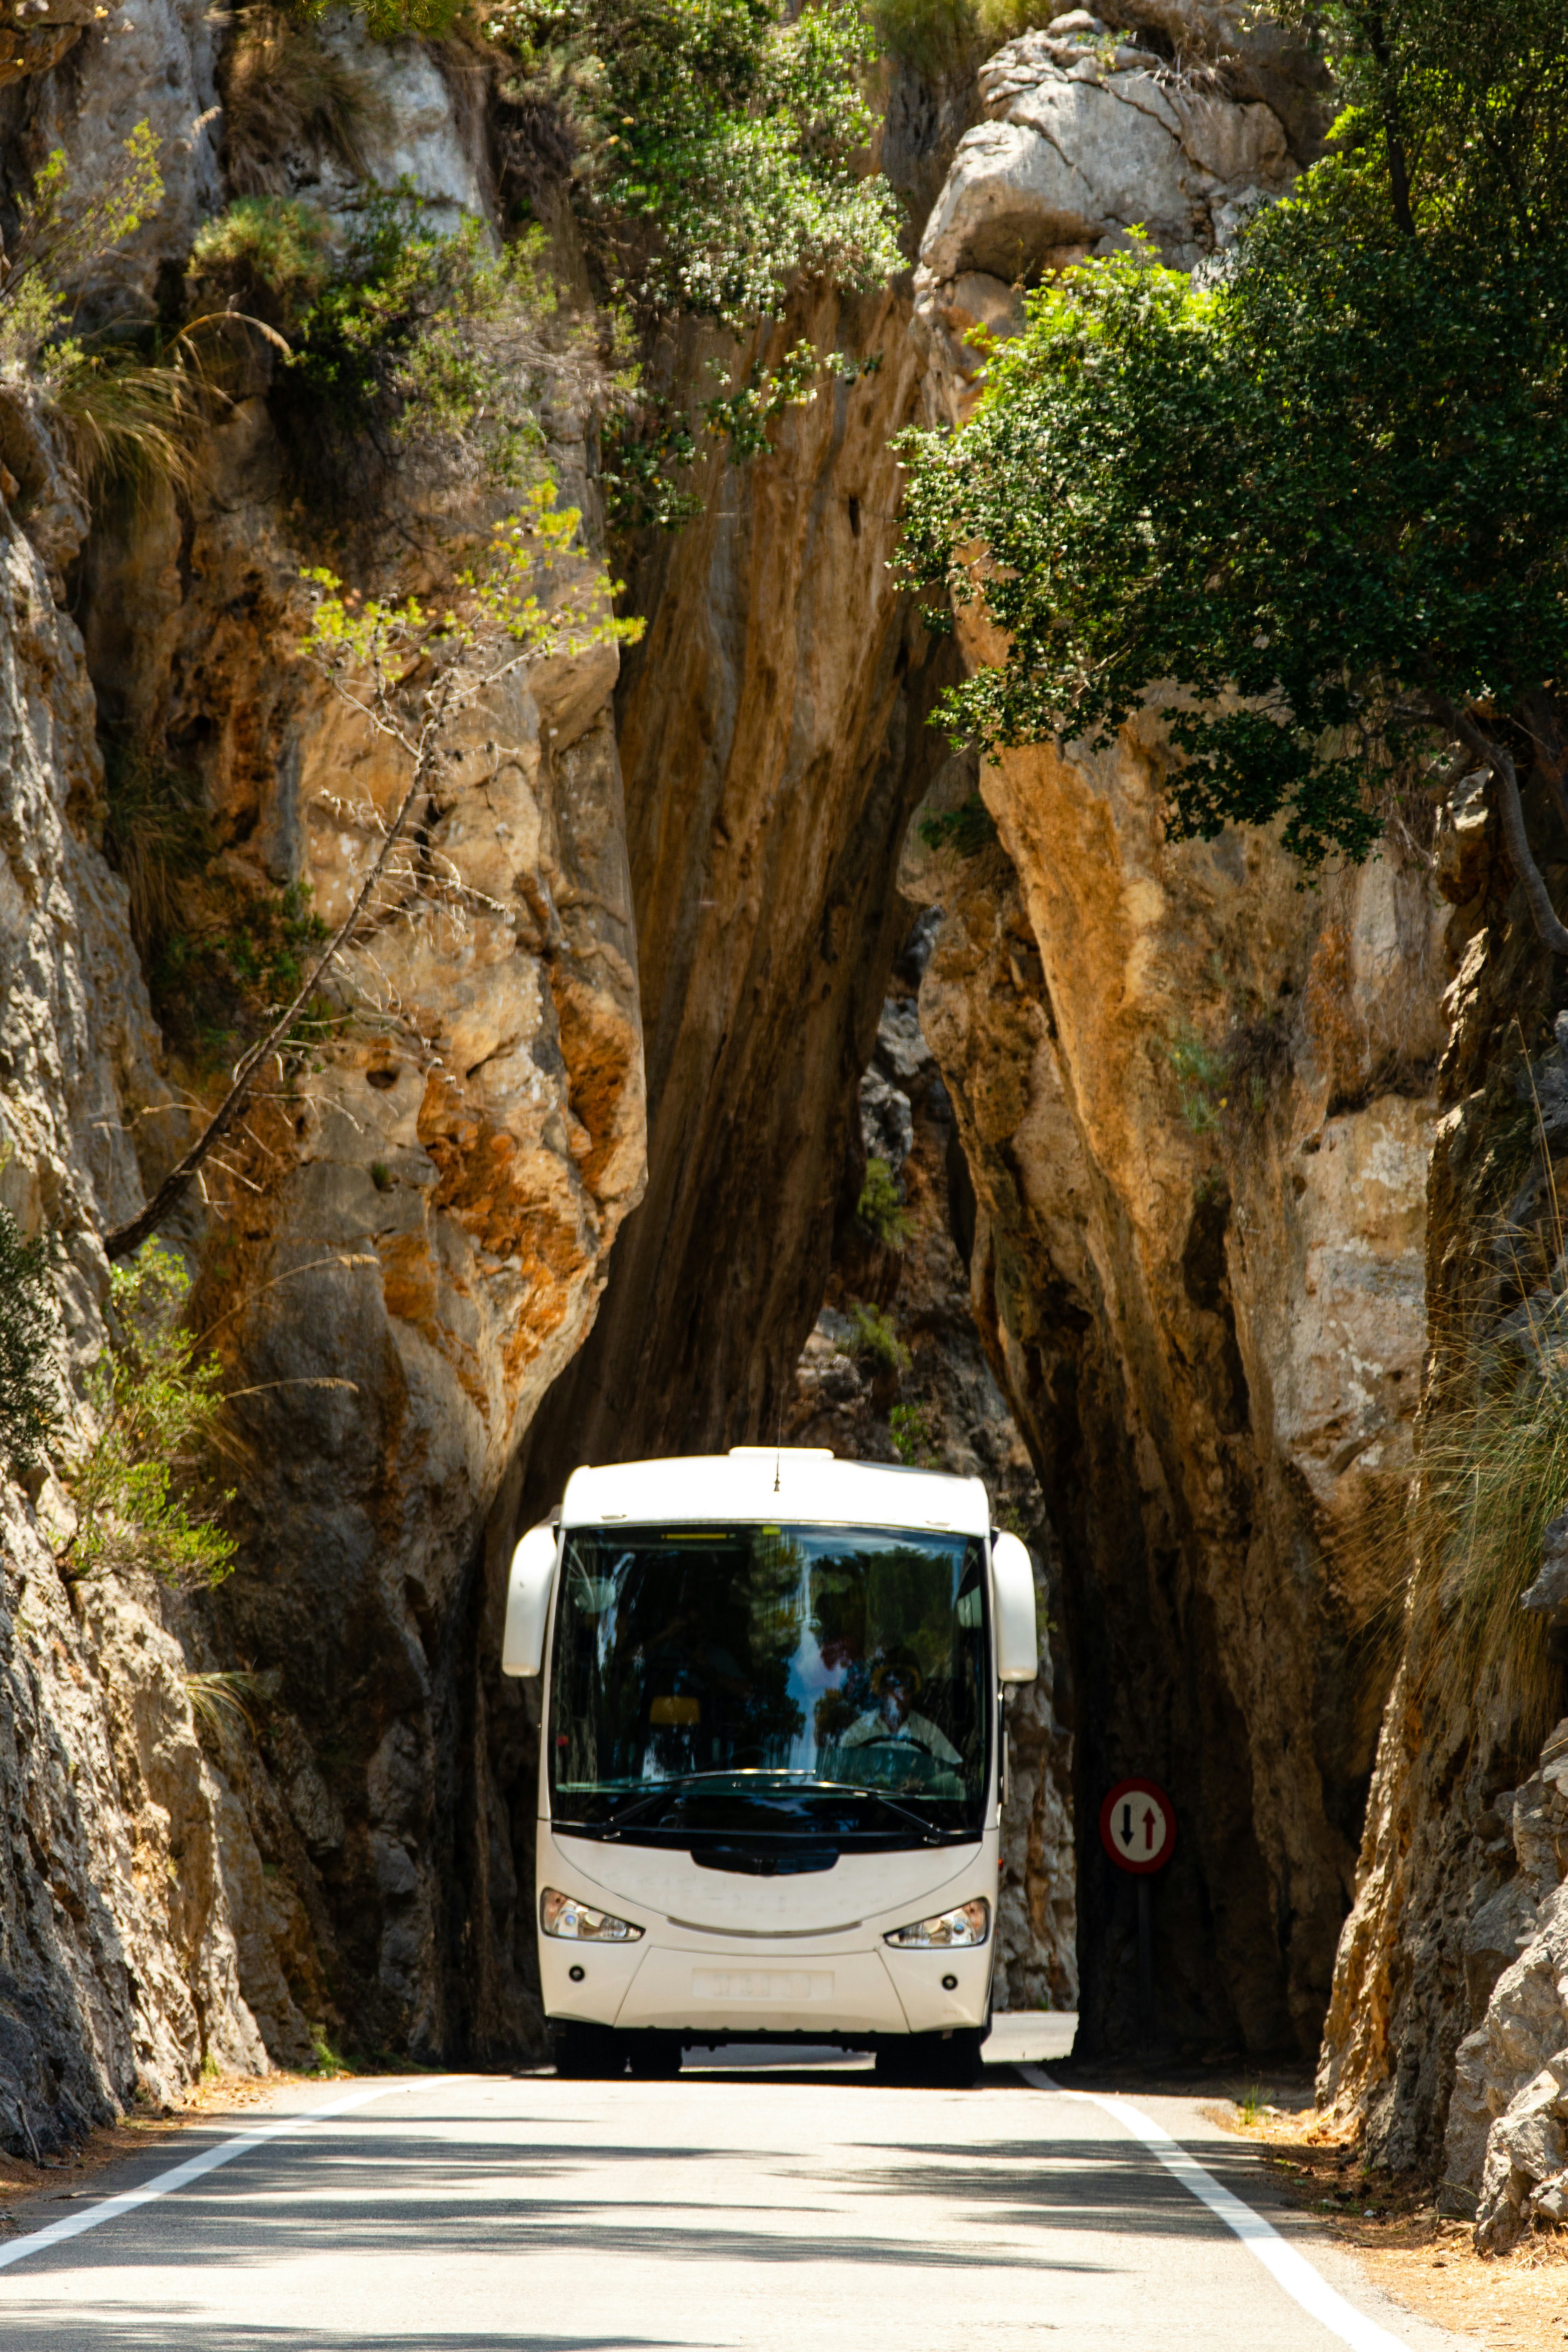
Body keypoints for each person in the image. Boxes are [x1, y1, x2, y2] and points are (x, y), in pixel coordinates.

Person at [837, 1648, 960, 1763]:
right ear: (882, 1690)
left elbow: (954, 1772)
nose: (899, 1695)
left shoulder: (929, 1733)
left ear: (913, 1692)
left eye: (906, 1687)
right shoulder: (858, 1733)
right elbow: (840, 1770)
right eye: (894, 1685)